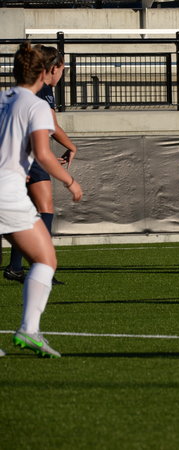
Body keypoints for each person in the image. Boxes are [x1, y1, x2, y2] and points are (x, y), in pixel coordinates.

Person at [0, 42, 83, 358]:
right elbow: (43, 153)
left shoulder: (2, 98)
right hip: (6, 192)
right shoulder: (36, 105)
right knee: (46, 260)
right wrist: (70, 181)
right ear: (47, 71)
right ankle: (29, 329)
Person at [3, 45, 77, 285]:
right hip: (26, 157)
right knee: (43, 210)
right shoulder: (40, 92)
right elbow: (50, 129)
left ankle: (17, 267)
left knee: (31, 211)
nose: (62, 75)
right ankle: (39, 267)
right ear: (53, 68)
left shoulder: (9, 96)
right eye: (62, 69)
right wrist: (70, 180)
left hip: (18, 160)